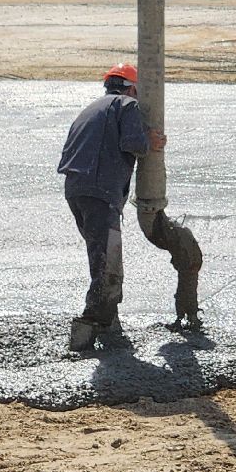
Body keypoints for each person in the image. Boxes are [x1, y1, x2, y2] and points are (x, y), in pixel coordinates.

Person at [56, 62, 167, 351]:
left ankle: (109, 324)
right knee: (108, 265)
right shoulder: (127, 105)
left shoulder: (93, 108)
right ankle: (87, 327)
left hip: (76, 191)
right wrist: (150, 141)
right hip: (100, 192)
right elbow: (134, 143)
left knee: (101, 256)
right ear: (132, 87)